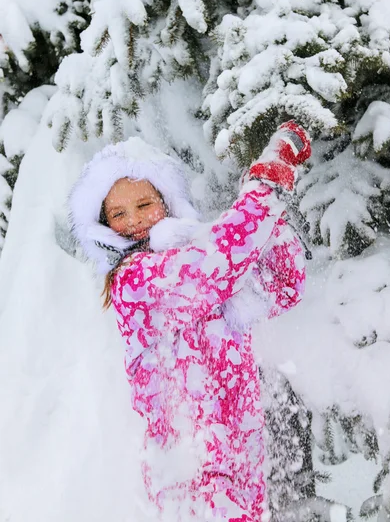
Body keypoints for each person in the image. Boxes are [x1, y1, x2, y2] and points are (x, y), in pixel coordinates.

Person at [69, 121, 311, 522]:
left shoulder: (209, 271)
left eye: (145, 205)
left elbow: (285, 286)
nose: (134, 221)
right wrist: (263, 190)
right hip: (189, 478)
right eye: (118, 213)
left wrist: (273, 215)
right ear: (102, 226)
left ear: (167, 202)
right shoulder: (136, 281)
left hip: (241, 467)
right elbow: (214, 264)